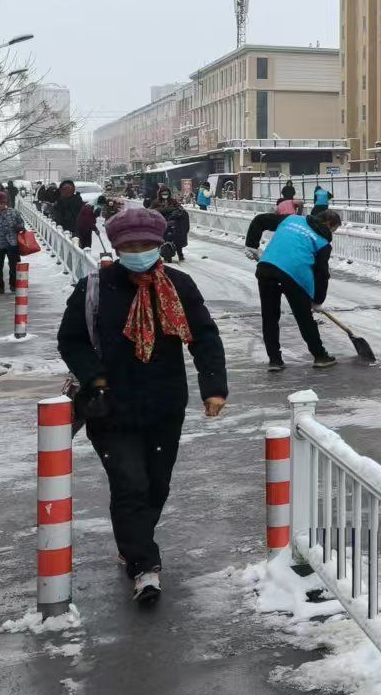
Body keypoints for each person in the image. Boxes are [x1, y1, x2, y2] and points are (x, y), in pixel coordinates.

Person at [56, 206, 228, 604]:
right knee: (130, 483)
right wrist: (95, 377)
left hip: (164, 403)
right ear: (117, 247)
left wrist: (213, 388)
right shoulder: (95, 288)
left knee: (157, 483)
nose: (138, 251)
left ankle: (134, 540)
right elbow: (71, 340)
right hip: (110, 405)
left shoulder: (179, 285)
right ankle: (143, 565)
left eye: (145, 244)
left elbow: (203, 336)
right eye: (129, 245)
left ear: (159, 244)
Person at [245, 208, 342, 370]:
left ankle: (275, 360)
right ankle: (320, 356)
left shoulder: (291, 219)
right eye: (334, 229)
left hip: (267, 267)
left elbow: (260, 219)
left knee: (269, 316)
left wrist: (251, 245)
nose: (332, 232)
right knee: (304, 318)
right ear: (329, 224)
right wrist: (317, 300)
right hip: (294, 276)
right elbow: (321, 274)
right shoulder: (323, 243)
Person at [0, 190, 22, 295]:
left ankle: (13, 285)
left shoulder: (13, 212)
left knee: (14, 266)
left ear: (5, 203)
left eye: (1, 203)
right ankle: (0, 287)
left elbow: (21, 223)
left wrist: (19, 227)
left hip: (12, 244)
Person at [156, 193, 191, 263]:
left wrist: (178, 210)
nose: (165, 195)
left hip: (172, 222)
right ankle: (159, 255)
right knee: (161, 239)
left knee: (177, 238)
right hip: (161, 222)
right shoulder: (156, 202)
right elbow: (152, 209)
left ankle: (180, 254)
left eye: (166, 193)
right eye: (163, 193)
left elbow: (180, 208)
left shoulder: (173, 201)